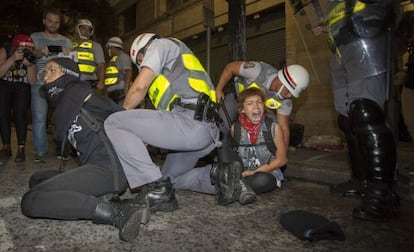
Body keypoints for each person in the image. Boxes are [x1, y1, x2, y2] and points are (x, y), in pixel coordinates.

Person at [20, 57, 151, 242]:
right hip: (94, 167)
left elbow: (123, 116)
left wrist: (142, 161)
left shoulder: (84, 95)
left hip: (108, 170)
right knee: (37, 179)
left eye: (52, 70)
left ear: (68, 74)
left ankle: (117, 212)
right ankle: (105, 197)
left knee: (31, 201)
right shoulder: (65, 108)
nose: (46, 77)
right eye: (45, 72)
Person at [104, 33, 242, 207]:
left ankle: (155, 189)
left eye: (140, 60)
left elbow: (139, 87)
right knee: (169, 180)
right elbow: (161, 124)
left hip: (190, 122)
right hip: (203, 131)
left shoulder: (161, 45)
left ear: (142, 51)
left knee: (114, 122)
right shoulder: (171, 72)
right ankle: (220, 175)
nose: (141, 64)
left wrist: (122, 115)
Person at [310, 0, 399, 221]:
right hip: (341, 44)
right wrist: (326, 23)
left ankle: (382, 194)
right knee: (347, 118)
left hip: (368, 32)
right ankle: (361, 181)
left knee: (366, 111)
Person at [215, 61, 310, 150]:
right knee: (222, 127)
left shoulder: (285, 101)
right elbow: (230, 67)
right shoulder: (257, 71)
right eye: (289, 91)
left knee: (273, 125)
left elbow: (284, 128)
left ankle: (259, 153)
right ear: (282, 82)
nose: (289, 96)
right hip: (236, 98)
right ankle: (220, 155)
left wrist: (282, 153)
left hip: (253, 109)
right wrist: (219, 89)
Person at [30, 7, 73, 162]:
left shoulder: (67, 41)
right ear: (44, 21)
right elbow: (29, 54)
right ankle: (40, 152)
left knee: (62, 118)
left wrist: (69, 54)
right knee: (39, 119)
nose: (53, 24)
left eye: (56, 22)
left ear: (59, 23)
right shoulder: (34, 37)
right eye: (50, 21)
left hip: (61, 85)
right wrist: (38, 53)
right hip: (40, 84)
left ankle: (62, 149)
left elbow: (73, 63)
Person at [231, 87, 288, 195]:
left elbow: (282, 160)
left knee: (261, 180)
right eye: (250, 103)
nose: (256, 107)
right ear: (242, 110)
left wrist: (255, 172)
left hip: (267, 173)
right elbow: (235, 155)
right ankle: (240, 187)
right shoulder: (235, 129)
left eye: (259, 102)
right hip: (244, 173)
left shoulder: (274, 128)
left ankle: (236, 187)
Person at [0, 35, 37, 163]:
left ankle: (21, 148)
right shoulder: (5, 50)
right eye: (23, 49)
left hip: (22, 86)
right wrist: (12, 59)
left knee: (20, 114)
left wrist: (30, 65)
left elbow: (32, 81)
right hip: (4, 84)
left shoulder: (31, 54)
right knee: (2, 113)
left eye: (28, 49)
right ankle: (6, 146)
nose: (26, 51)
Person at [72, 18, 106, 91]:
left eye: (89, 30)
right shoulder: (70, 45)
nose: (86, 32)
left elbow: (101, 65)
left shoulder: (95, 46)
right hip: (73, 82)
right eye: (83, 28)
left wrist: (101, 81)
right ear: (77, 29)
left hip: (90, 83)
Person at [104, 37, 132, 105]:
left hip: (120, 93)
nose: (108, 50)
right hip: (112, 94)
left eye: (109, 48)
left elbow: (128, 72)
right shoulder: (113, 60)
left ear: (112, 47)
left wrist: (126, 88)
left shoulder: (123, 57)